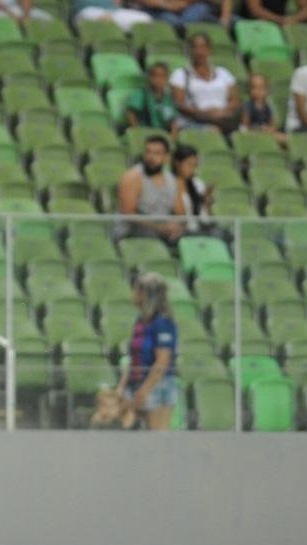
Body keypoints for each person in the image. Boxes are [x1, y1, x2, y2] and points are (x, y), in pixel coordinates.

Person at [117, 273, 178, 431]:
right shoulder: (140, 321)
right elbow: (134, 358)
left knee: (158, 439)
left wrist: (144, 391)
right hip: (136, 383)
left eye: (136, 290)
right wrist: (122, 387)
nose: (132, 294)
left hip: (157, 385)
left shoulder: (163, 323)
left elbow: (162, 362)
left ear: (144, 294)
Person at [116, 135, 184, 241]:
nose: (151, 157)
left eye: (157, 153)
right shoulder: (132, 177)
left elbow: (180, 213)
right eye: (148, 152)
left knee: (193, 236)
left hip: (163, 229)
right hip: (133, 231)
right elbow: (128, 214)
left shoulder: (173, 180)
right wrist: (159, 228)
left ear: (166, 157)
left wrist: (174, 225)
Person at [170, 33, 240, 132]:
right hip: (195, 120)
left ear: (209, 49)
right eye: (195, 47)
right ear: (189, 50)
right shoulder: (180, 74)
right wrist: (205, 113)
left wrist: (222, 112)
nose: (199, 52)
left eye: (203, 47)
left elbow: (234, 100)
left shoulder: (224, 73)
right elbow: (180, 103)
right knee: (214, 130)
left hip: (223, 118)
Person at [126, 62, 179, 138]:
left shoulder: (168, 98)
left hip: (163, 135)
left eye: (162, 76)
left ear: (167, 78)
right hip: (146, 133)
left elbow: (173, 121)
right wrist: (137, 131)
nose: (158, 79)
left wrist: (173, 137)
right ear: (149, 77)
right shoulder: (142, 94)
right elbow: (130, 113)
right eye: (155, 76)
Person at [172, 144, 212, 234]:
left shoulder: (198, 183)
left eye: (195, 166)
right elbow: (180, 216)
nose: (192, 170)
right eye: (189, 165)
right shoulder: (168, 183)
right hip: (180, 232)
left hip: (200, 230)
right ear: (177, 163)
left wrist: (206, 203)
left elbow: (206, 219)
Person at [240, 73, 286, 145]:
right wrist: (257, 130)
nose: (258, 91)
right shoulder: (248, 106)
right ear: (249, 90)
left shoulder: (267, 106)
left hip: (266, 133)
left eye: (262, 88)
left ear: (267, 90)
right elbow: (243, 129)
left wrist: (270, 129)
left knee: (284, 137)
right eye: (254, 88)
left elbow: (273, 124)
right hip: (254, 135)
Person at [72, 0, 152, 34]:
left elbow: (117, 3)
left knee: (145, 18)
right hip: (87, 10)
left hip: (112, 11)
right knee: (103, 18)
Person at [132, 0, 221, 27]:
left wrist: (183, 4)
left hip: (185, 10)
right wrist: (168, 6)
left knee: (202, 8)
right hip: (157, 10)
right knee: (174, 21)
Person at [242, 0, 307, 25]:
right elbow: (255, 9)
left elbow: (306, 9)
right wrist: (278, 20)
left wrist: (293, 19)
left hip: (280, 22)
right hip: (254, 22)